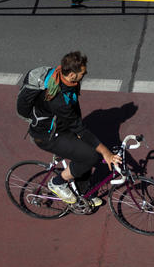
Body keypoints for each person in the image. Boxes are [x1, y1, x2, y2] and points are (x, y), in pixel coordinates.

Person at [27, 51, 122, 204]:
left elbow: (75, 113)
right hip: (47, 136)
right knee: (90, 156)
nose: (85, 75)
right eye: (82, 73)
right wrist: (106, 153)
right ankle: (57, 183)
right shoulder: (57, 99)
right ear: (72, 74)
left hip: (62, 127)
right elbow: (79, 128)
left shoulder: (68, 81)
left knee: (86, 149)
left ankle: (85, 193)